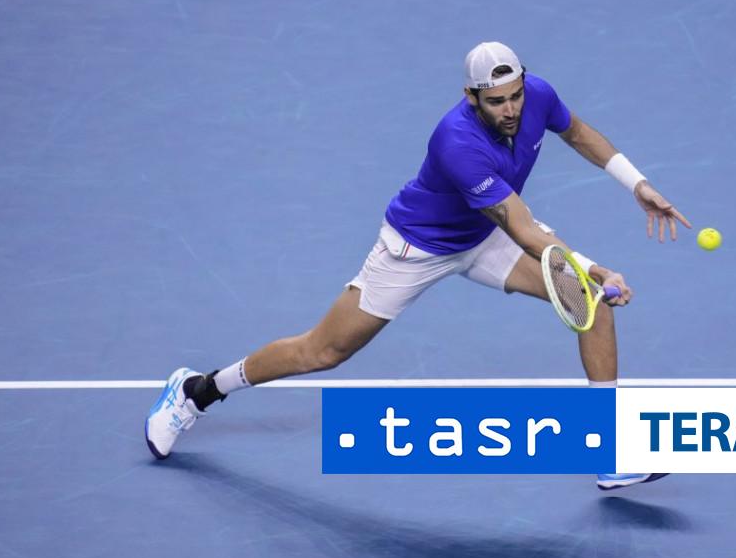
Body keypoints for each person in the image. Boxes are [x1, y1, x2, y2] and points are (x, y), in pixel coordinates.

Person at [145, 42, 690, 489]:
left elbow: (579, 133)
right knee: (323, 351)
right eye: (496, 101)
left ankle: (608, 451)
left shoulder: (537, 95)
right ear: (471, 97)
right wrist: (593, 268)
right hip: (419, 246)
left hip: (486, 233)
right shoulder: (456, 141)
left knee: (590, 307)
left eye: (516, 96)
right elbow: (523, 229)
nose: (511, 110)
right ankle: (198, 391)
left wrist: (637, 184)